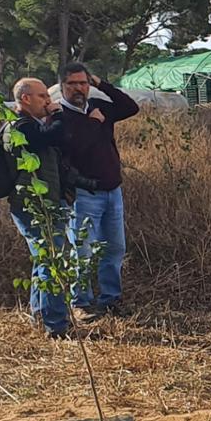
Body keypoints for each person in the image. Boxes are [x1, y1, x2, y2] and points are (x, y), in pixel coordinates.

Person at [55, 60, 139, 320]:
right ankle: (81, 302)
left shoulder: (99, 107)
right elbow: (76, 148)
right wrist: (93, 124)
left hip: (113, 191)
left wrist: (103, 84)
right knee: (83, 250)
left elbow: (130, 107)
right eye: (73, 84)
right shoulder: (59, 117)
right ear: (62, 86)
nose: (79, 88)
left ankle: (110, 300)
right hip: (83, 195)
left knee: (114, 248)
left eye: (84, 82)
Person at [2, 76, 75, 339]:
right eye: (43, 96)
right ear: (26, 99)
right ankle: (55, 325)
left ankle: (40, 314)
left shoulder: (33, 125)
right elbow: (50, 136)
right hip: (33, 206)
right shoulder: (21, 127)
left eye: (48, 96)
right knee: (52, 260)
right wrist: (58, 115)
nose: (49, 100)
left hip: (46, 203)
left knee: (43, 261)